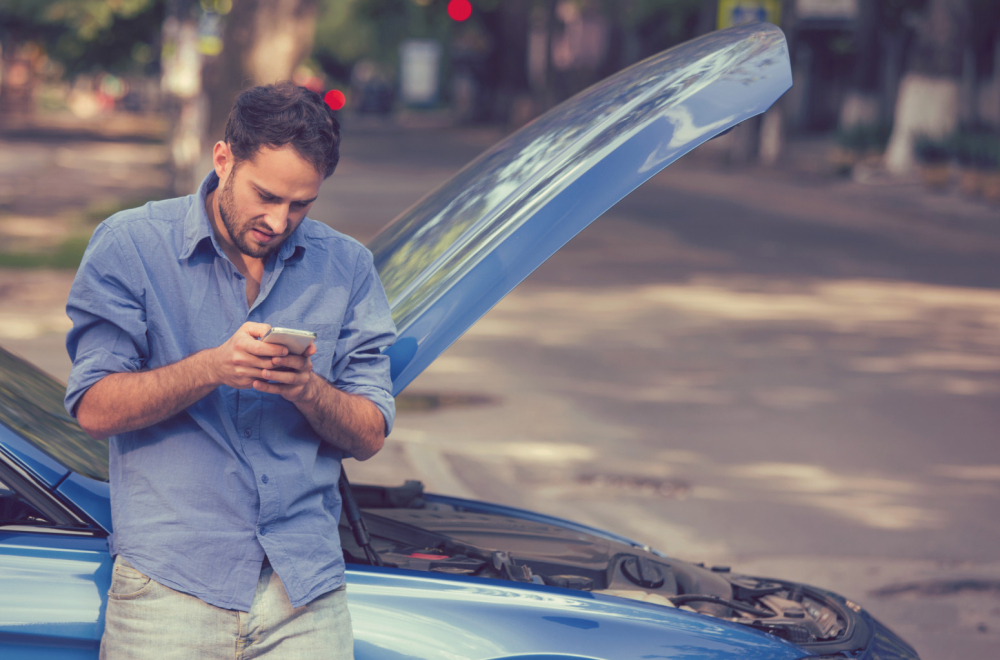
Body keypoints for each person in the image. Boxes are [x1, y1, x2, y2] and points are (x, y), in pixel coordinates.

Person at [63, 82, 396, 659]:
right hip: (167, 592)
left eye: (301, 205)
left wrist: (309, 390)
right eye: (265, 195)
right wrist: (212, 368)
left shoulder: (347, 267)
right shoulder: (131, 245)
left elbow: (369, 433)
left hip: (305, 596)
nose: (278, 219)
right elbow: (93, 407)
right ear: (223, 159)